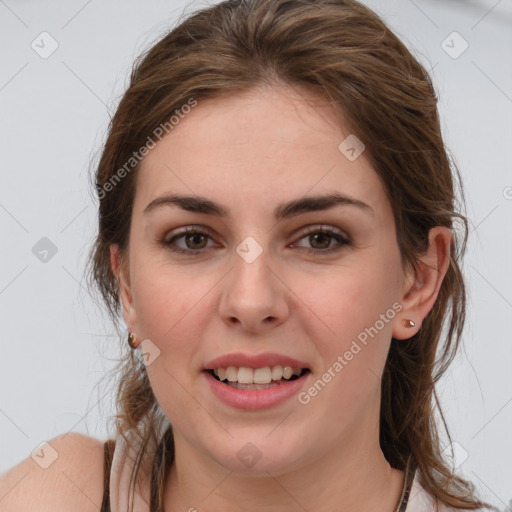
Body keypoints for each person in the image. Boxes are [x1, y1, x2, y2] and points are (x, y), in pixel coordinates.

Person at [0, 0, 499, 510]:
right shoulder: (52, 496)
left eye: (320, 238)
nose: (251, 299)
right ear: (126, 284)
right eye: (193, 239)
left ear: (418, 280)